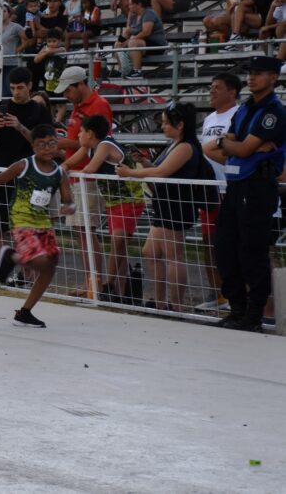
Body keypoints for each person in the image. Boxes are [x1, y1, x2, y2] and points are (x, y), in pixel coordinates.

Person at [206, 56, 286, 331]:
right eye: (250, 73)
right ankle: (237, 308)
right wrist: (230, 142)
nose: (252, 78)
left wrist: (234, 144)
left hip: (257, 186)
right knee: (225, 246)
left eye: (259, 73)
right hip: (236, 184)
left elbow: (240, 150)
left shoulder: (274, 111)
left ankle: (253, 314)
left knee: (251, 250)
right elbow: (222, 145)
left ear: (274, 77)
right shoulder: (243, 110)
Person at [0, 124, 75, 328]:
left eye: (51, 144)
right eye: (41, 145)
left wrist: (70, 207)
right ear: (33, 147)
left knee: (51, 263)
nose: (47, 149)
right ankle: (11, 257)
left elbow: (70, 200)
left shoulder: (59, 173)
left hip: (43, 222)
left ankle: (25, 312)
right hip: (21, 219)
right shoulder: (24, 166)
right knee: (40, 260)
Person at [117, 102, 205, 311]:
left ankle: (176, 304)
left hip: (177, 205)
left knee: (173, 255)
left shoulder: (185, 147)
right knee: (151, 252)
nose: (163, 127)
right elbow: (160, 170)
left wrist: (130, 173)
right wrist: (145, 164)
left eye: (166, 123)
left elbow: (162, 173)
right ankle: (161, 300)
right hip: (165, 204)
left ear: (181, 124)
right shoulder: (175, 144)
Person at [63, 115, 146, 303]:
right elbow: (71, 161)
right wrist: (61, 169)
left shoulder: (105, 146)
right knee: (119, 245)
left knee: (117, 240)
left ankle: (108, 285)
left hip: (129, 199)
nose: (78, 136)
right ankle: (121, 291)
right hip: (113, 202)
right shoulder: (90, 147)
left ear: (90, 134)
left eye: (81, 132)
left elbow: (90, 169)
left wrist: (71, 172)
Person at [0, 67, 54, 259]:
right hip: (1, 172)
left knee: (25, 225)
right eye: (12, 88)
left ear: (30, 86)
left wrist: (20, 127)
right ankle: (2, 268)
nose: (16, 92)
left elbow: (46, 145)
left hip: (28, 176)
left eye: (20, 88)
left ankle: (26, 273)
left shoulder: (39, 111)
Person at [56, 65, 113, 298]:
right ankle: (91, 282)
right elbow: (79, 142)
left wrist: (61, 147)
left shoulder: (99, 106)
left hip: (87, 176)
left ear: (80, 85)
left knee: (87, 232)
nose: (66, 96)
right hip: (76, 175)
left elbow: (90, 144)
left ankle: (95, 284)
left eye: (68, 91)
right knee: (82, 233)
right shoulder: (79, 106)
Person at [197, 72, 241, 311]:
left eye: (217, 87)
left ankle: (235, 295)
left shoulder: (239, 114)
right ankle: (219, 294)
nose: (211, 91)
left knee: (229, 243)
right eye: (211, 86)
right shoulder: (210, 118)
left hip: (228, 186)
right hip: (209, 187)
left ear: (231, 92)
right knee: (208, 242)